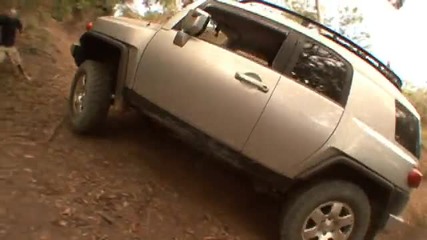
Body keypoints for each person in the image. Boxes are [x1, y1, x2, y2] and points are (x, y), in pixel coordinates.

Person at [0, 8, 31, 81]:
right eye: (11, 13)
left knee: (18, 62)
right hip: (2, 46)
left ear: (15, 15)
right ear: (9, 14)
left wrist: (21, 31)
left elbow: (20, 27)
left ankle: (25, 75)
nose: (12, 15)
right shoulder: (4, 19)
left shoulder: (16, 21)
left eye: (13, 14)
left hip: (11, 47)